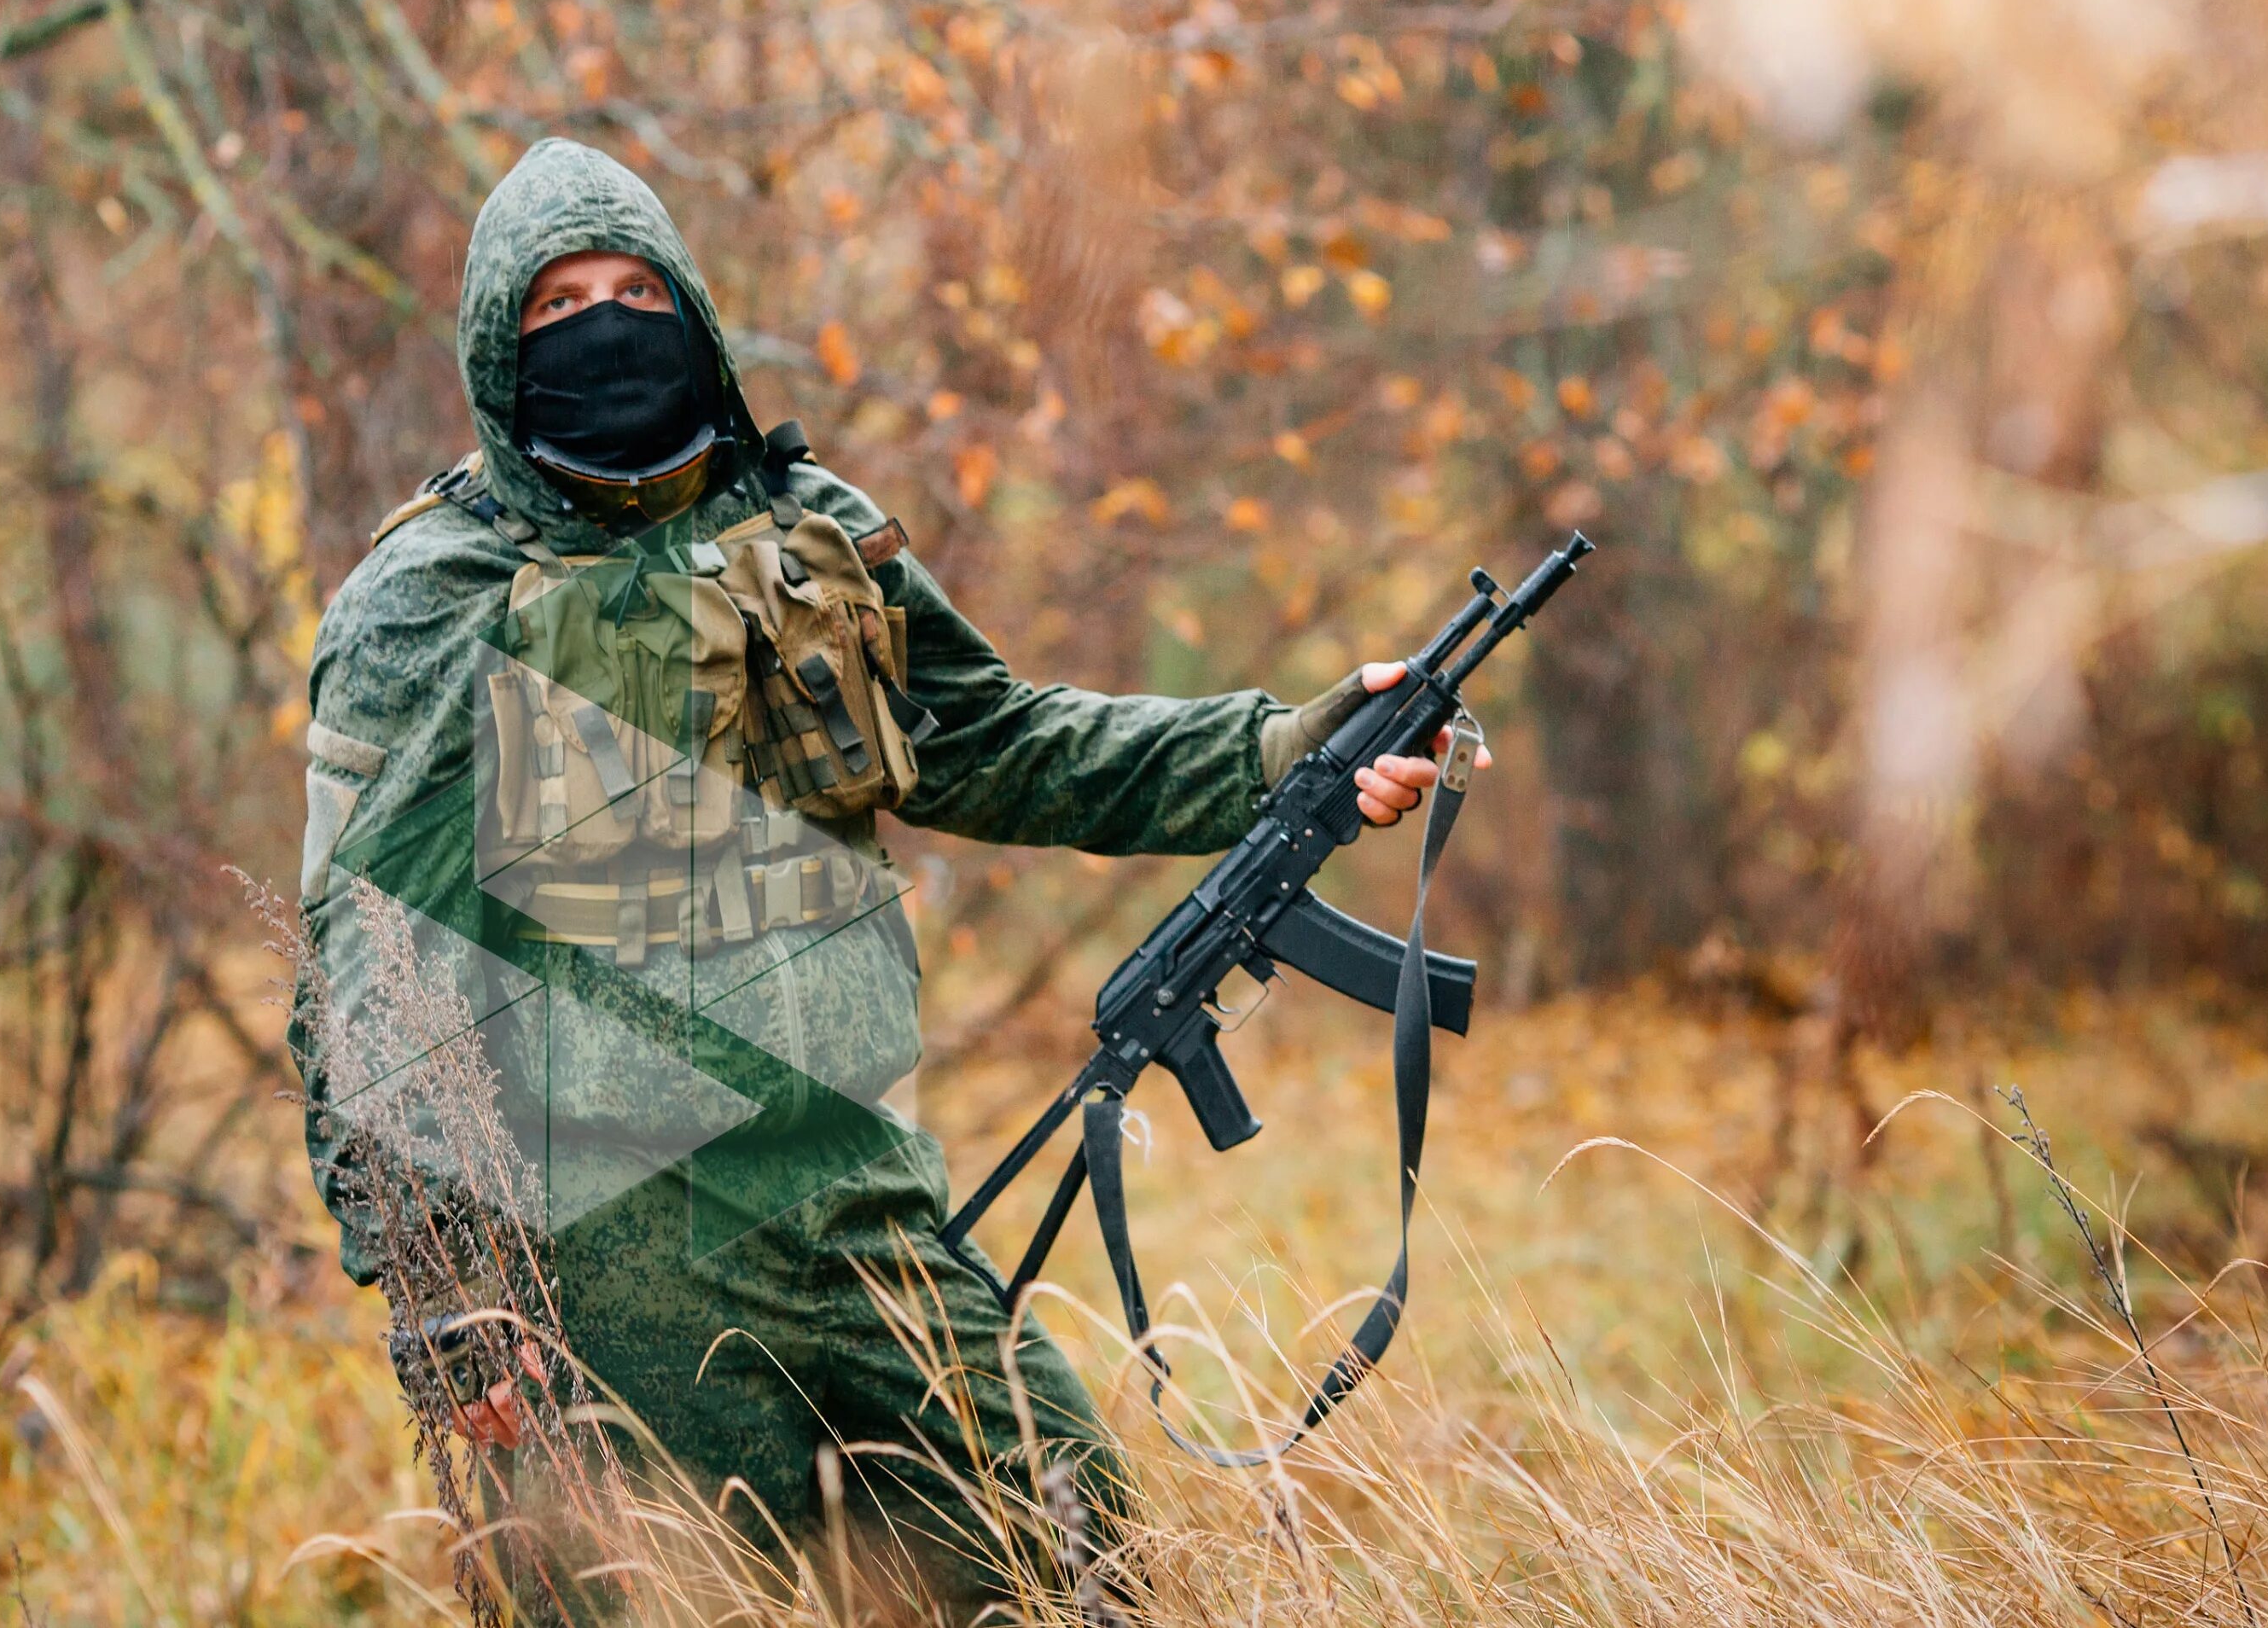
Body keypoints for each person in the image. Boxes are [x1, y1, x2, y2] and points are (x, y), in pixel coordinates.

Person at [293, 137, 1443, 1614]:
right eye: (557, 304)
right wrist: (441, 1303)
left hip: (854, 1210)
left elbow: (1008, 742)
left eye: (635, 287)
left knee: (1081, 1562)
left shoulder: (809, 528)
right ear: (494, 350)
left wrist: (1282, 746)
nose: (604, 324)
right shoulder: (424, 595)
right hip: (599, 1275)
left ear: (693, 307)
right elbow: (351, 963)